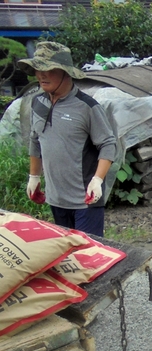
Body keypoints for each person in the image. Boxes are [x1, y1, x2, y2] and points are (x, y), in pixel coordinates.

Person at [18, 41, 116, 237]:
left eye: (48, 69)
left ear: (65, 72)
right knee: (67, 257)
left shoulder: (87, 107)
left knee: (88, 257)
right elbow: (35, 140)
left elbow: (108, 144)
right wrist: (34, 177)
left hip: (85, 199)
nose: (41, 75)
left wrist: (97, 180)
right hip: (56, 198)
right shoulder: (38, 102)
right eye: (38, 69)